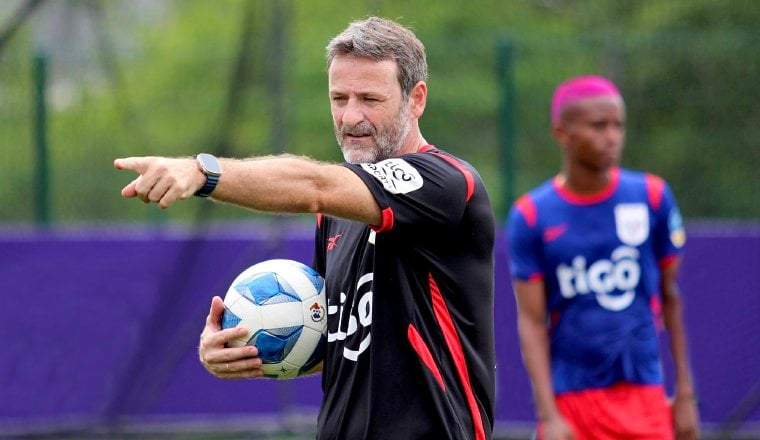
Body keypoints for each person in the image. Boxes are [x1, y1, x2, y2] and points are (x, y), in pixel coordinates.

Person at [115, 17, 496, 440]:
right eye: (339, 97)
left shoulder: (446, 183)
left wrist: (200, 172)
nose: (351, 116)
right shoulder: (336, 214)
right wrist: (244, 347)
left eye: (370, 98)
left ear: (416, 98)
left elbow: (314, 185)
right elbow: (336, 343)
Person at [506, 75, 700, 440]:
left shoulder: (652, 197)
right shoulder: (531, 215)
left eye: (618, 125)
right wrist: (548, 416)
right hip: (573, 402)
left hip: (645, 397)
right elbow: (532, 323)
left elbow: (670, 295)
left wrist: (686, 394)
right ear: (562, 132)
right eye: (598, 126)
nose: (611, 136)